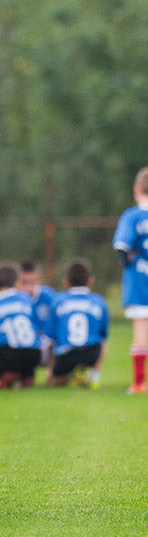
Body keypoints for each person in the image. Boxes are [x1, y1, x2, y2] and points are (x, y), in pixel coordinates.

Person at [44, 259, 109, 388]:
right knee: (103, 342)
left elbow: (50, 337)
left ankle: (67, 375)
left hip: (66, 354)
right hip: (91, 353)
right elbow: (103, 334)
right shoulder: (99, 302)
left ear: (66, 282)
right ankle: (93, 375)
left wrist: (51, 367)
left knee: (51, 382)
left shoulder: (58, 301)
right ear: (90, 281)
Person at [113, 166, 148, 394]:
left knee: (141, 332)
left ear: (136, 189)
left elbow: (122, 248)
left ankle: (139, 383)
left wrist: (129, 263)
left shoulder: (132, 215)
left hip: (139, 282)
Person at [16, 260, 57, 368]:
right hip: (23, 347)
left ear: (39, 280)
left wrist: (45, 343)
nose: (28, 287)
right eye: (24, 282)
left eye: (32, 282)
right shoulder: (13, 301)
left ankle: (53, 372)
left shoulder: (49, 297)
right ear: (16, 282)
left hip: (47, 347)